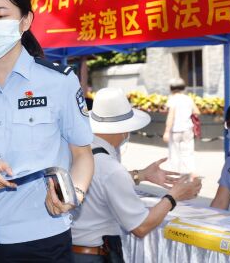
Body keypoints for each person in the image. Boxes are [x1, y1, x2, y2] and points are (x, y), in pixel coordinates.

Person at [0, 0, 95, 262]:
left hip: (43, 238)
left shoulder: (58, 82)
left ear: (25, 21)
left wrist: (73, 195)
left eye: (0, 15)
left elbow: (82, 155)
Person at [71, 88, 202, 262]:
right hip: (94, 255)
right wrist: (173, 196)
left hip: (72, 250)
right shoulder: (110, 168)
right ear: (124, 130)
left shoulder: (79, 150)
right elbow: (141, 227)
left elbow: (99, 183)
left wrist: (141, 175)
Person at [163, 78, 200, 174]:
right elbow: (197, 112)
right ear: (183, 88)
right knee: (188, 153)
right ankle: (192, 173)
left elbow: (171, 115)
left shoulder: (172, 99)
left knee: (174, 154)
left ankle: (175, 175)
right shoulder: (188, 98)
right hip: (188, 129)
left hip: (176, 130)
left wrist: (166, 132)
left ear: (171, 88)